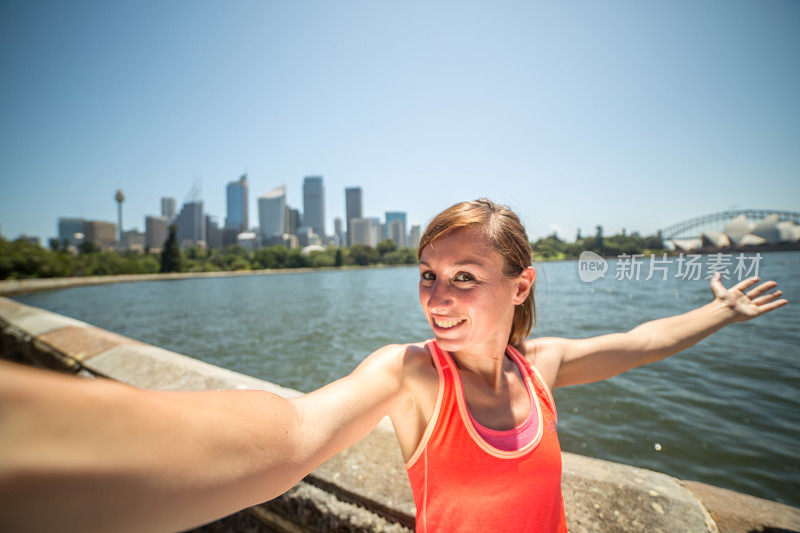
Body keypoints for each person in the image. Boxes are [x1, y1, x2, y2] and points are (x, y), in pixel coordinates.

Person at [0, 198, 788, 532]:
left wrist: (721, 310)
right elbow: (293, 430)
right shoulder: (411, 375)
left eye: (464, 278)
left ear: (521, 285)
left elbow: (644, 340)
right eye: (427, 274)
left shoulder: (539, 366)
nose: (437, 298)